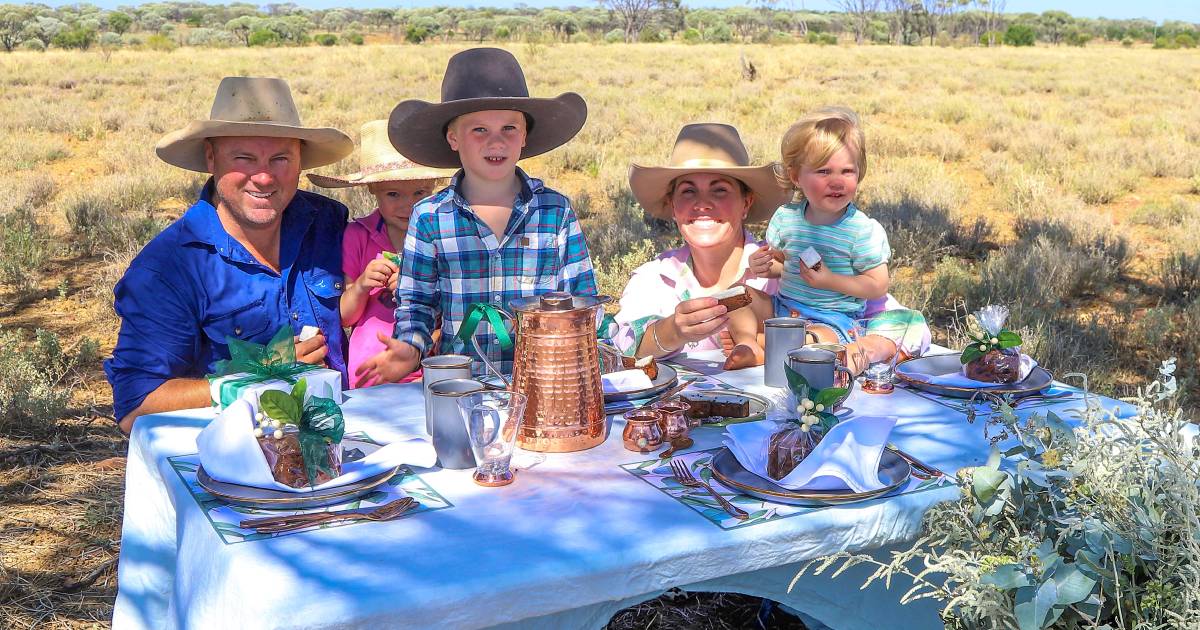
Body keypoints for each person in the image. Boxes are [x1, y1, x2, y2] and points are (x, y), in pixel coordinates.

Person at [104, 76, 354, 434]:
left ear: (301, 161)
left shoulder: (328, 222)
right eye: (244, 158)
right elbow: (137, 407)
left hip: (342, 439)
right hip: (233, 465)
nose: (264, 177)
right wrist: (259, 376)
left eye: (281, 158)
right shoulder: (169, 269)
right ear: (211, 157)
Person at [354, 48, 597, 385]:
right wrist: (410, 349)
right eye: (479, 130)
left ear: (524, 136)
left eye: (509, 128)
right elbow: (417, 304)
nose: (495, 141)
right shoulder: (430, 217)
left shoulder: (554, 212)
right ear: (453, 138)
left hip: (544, 386)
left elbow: (582, 301)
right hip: (460, 387)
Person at [748, 106, 929, 369]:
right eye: (823, 172)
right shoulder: (786, 219)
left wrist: (830, 280)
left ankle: (772, 346)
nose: (837, 181)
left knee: (824, 341)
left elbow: (877, 285)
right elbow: (783, 265)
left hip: (833, 320)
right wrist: (763, 266)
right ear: (795, 176)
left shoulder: (861, 230)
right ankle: (748, 343)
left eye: (847, 171)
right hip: (783, 308)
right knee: (741, 298)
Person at [613, 123, 790, 369]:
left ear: (746, 203)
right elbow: (623, 350)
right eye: (688, 191)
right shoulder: (654, 279)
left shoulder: (781, 270)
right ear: (673, 206)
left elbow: (837, 328)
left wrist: (759, 340)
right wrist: (672, 331)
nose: (702, 204)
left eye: (719, 190)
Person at [307, 120, 453, 388]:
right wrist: (362, 285)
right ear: (372, 189)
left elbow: (453, 308)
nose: (408, 205)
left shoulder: (443, 237)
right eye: (393, 194)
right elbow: (345, 317)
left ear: (433, 186)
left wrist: (417, 290)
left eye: (419, 193)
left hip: (426, 367)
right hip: (370, 372)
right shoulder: (359, 236)